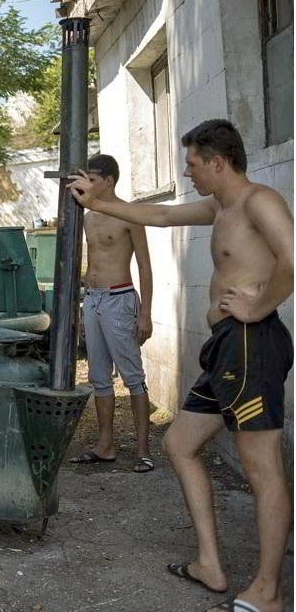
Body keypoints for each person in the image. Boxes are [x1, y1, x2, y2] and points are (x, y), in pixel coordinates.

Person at [68, 119, 293, 612]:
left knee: (263, 469)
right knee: (180, 443)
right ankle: (210, 565)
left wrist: (256, 307)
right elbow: (159, 217)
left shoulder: (259, 201)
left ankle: (269, 592)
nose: (187, 173)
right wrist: (96, 201)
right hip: (228, 346)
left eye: (192, 164)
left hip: (253, 342)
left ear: (217, 160)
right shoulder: (221, 206)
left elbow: (292, 258)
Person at [69, 154, 155, 473]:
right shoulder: (89, 216)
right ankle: (105, 446)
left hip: (120, 299)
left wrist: (145, 314)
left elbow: (145, 266)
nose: (87, 184)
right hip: (92, 300)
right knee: (98, 377)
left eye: (92, 179)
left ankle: (143, 450)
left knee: (133, 377)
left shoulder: (129, 215)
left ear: (109, 181)